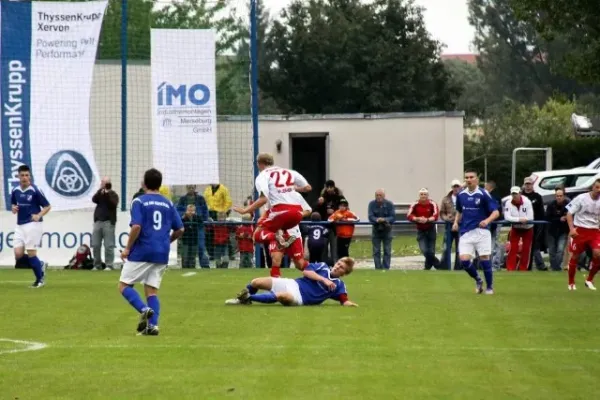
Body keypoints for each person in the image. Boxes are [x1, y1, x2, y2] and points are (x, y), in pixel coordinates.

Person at [118, 168, 184, 336]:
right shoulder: (168, 203)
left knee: (124, 285)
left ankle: (143, 309)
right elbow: (180, 229)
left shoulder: (139, 201)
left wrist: (127, 248)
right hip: (161, 253)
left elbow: (137, 226)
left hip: (143, 251)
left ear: (144, 183)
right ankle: (152, 326)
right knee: (151, 290)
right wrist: (166, 242)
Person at [233, 153, 312, 257]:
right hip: (295, 215)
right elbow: (308, 188)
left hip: (280, 212)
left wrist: (245, 210)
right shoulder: (290, 172)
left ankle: (278, 237)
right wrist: (293, 188)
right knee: (298, 261)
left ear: (259, 164)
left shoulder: (263, 176)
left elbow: (263, 199)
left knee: (257, 235)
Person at [225, 257, 358, 307]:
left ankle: (247, 298)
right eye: (339, 263)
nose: (338, 266)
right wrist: (324, 280)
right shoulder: (322, 266)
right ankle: (244, 299)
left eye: (342, 268)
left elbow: (344, 300)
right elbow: (306, 272)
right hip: (293, 283)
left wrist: (351, 305)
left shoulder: (339, 285)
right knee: (256, 282)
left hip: (300, 298)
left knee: (283, 296)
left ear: (344, 273)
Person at [452, 169, 500, 294]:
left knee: (484, 259)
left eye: (471, 177)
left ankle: (489, 287)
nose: (468, 179)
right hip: (466, 232)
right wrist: (456, 222)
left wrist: (487, 220)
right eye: (466, 177)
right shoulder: (461, 195)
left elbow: (496, 212)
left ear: (476, 179)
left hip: (481, 231)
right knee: (464, 260)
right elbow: (459, 211)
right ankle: (478, 279)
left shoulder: (483, 194)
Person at [11, 165, 51, 288]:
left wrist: (38, 215)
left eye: (27, 175)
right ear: (18, 176)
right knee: (18, 255)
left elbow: (47, 206)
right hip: (20, 225)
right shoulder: (15, 190)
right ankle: (40, 264)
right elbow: (13, 204)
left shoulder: (35, 190)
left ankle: (40, 280)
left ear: (30, 176)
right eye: (22, 175)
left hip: (33, 224)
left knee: (31, 253)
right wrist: (13, 208)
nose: (24, 177)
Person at [565, 178, 600, 291]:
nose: (599, 190)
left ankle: (589, 280)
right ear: (592, 187)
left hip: (594, 231)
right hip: (580, 230)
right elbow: (569, 213)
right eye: (597, 187)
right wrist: (572, 229)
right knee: (575, 256)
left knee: (598, 254)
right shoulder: (581, 198)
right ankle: (571, 282)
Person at [407, 188, 441, 270]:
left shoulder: (432, 203)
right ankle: (439, 265)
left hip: (431, 229)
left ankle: (427, 268)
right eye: (421, 194)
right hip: (420, 230)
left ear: (428, 195)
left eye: (425, 194)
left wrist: (427, 219)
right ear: (419, 195)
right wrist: (417, 218)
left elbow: (436, 215)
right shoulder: (415, 204)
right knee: (424, 250)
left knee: (431, 251)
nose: (423, 196)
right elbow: (409, 215)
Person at [91, 177, 119, 271]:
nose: (102, 183)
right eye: (102, 182)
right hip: (98, 221)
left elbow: (113, 204)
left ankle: (109, 265)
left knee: (109, 245)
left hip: (108, 222)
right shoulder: (100, 193)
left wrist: (107, 194)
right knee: (95, 244)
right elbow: (94, 199)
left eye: (104, 182)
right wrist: (100, 191)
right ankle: (97, 264)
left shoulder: (113, 194)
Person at [504, 186, 534, 271]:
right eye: (513, 194)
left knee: (526, 249)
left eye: (516, 194)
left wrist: (524, 219)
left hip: (527, 228)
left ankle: (523, 269)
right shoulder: (508, 203)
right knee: (512, 248)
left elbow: (530, 217)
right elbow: (507, 217)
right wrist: (519, 219)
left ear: (520, 193)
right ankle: (510, 269)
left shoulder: (527, 202)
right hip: (515, 227)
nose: (514, 196)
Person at [521, 176, 547, 271]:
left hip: (535, 224)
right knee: (525, 245)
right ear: (524, 185)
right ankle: (526, 265)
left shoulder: (537, 196)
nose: (528, 186)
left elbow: (541, 212)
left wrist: (541, 225)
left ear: (532, 185)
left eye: (530, 184)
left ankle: (540, 265)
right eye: (526, 184)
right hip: (522, 224)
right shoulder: (521, 196)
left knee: (535, 245)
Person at [368, 189, 396, 270]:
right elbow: (370, 216)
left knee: (387, 250)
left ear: (384, 196)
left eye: (380, 195)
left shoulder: (389, 204)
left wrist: (384, 219)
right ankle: (378, 268)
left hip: (387, 230)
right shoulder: (371, 204)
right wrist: (377, 220)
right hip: (376, 229)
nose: (378, 197)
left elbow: (393, 217)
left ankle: (386, 268)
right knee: (376, 251)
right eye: (377, 195)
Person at [545, 187, 570, 271]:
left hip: (563, 231)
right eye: (557, 196)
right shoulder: (551, 205)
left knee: (560, 250)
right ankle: (554, 268)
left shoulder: (569, 204)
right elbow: (547, 217)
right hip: (551, 231)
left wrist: (567, 217)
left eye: (560, 196)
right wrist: (559, 219)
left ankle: (555, 268)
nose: (559, 197)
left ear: (564, 196)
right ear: (555, 196)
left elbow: (572, 214)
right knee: (551, 251)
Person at [440, 180, 462, 270]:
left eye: (457, 186)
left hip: (461, 225)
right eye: (454, 186)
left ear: (460, 187)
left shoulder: (464, 197)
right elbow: (442, 213)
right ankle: (445, 267)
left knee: (460, 247)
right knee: (446, 247)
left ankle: (459, 267)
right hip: (449, 226)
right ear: (452, 187)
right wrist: (446, 218)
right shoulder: (446, 199)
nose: (456, 188)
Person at [181, 204, 203, 269]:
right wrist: (184, 216)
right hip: (185, 240)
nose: (190, 212)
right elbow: (180, 222)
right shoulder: (184, 217)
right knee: (185, 255)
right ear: (186, 210)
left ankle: (192, 267)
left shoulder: (196, 217)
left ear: (195, 211)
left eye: (192, 210)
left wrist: (195, 215)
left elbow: (201, 222)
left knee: (192, 256)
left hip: (194, 240)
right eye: (189, 210)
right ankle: (184, 267)